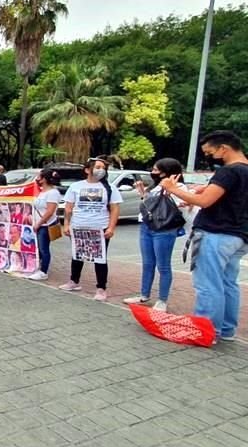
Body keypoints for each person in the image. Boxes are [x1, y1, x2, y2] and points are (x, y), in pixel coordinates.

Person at [159, 131, 248, 343]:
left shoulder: (228, 171)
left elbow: (205, 201)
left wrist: (172, 188)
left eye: (210, 152)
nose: (208, 156)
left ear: (223, 149)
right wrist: (199, 191)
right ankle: (226, 330)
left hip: (216, 234)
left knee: (208, 285)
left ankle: (205, 331)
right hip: (240, 236)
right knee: (228, 283)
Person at [123, 158, 186, 312]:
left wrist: (171, 191)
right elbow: (151, 205)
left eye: (156, 170)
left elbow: (182, 204)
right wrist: (143, 193)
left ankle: (162, 300)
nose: (153, 172)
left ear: (166, 172)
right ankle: (144, 295)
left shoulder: (178, 186)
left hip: (164, 228)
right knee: (148, 263)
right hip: (147, 226)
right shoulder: (156, 185)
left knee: (163, 265)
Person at [60, 157, 123, 301]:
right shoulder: (75, 186)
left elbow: (115, 209)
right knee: (77, 256)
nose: (101, 170)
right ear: (88, 170)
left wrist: (111, 228)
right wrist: (67, 224)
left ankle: (101, 288)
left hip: (100, 228)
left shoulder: (110, 188)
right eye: (98, 167)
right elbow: (68, 208)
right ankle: (74, 281)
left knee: (100, 259)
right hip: (78, 227)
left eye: (103, 168)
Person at [28, 168, 63, 281]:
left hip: (45, 225)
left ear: (45, 179)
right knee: (38, 248)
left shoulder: (53, 193)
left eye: (39, 176)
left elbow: (49, 211)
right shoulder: (42, 191)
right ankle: (39, 267)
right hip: (38, 224)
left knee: (44, 248)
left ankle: (44, 271)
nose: (37, 179)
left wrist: (38, 224)